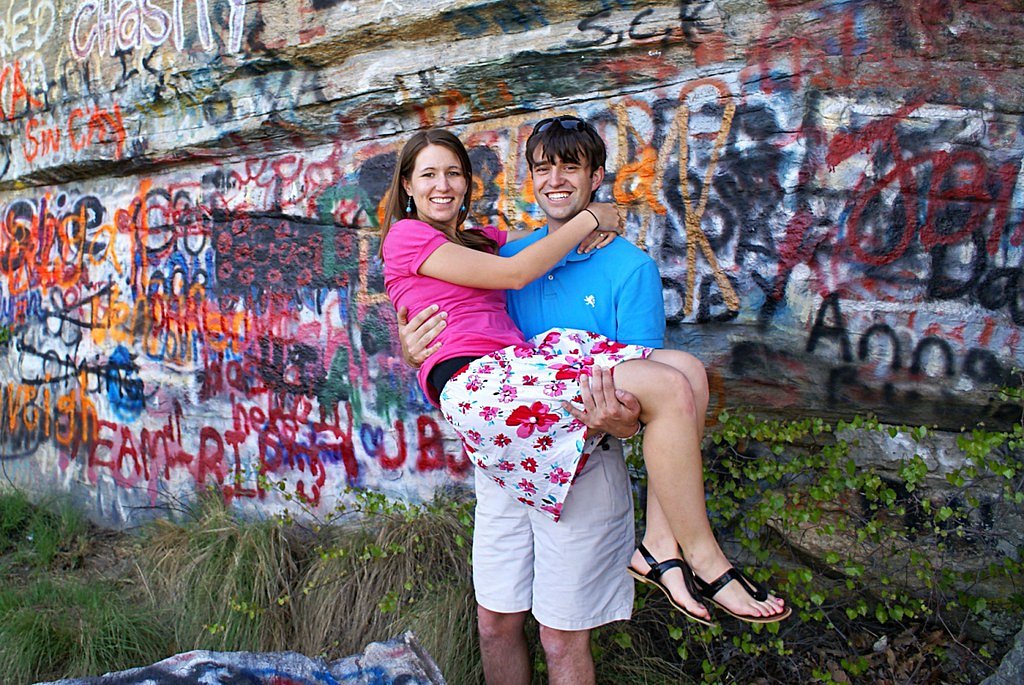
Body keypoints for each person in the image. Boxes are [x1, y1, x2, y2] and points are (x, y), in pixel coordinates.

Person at [381, 125, 789, 683]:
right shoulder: (437, 240)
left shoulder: (500, 242)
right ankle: (700, 559)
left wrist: (603, 222)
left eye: (453, 172)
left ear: (595, 178)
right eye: (428, 173)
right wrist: (593, 218)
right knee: (495, 620)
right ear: (407, 185)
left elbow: (638, 408)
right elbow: (510, 276)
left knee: (686, 372)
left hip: (556, 422)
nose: (443, 184)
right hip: (499, 404)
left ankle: (660, 544)